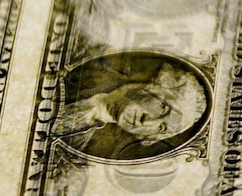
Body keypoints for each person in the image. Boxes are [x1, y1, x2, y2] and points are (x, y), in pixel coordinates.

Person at [52, 62, 208, 161]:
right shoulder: (89, 68)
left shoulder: (78, 151)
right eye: (162, 107)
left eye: (161, 128)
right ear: (152, 86)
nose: (146, 121)